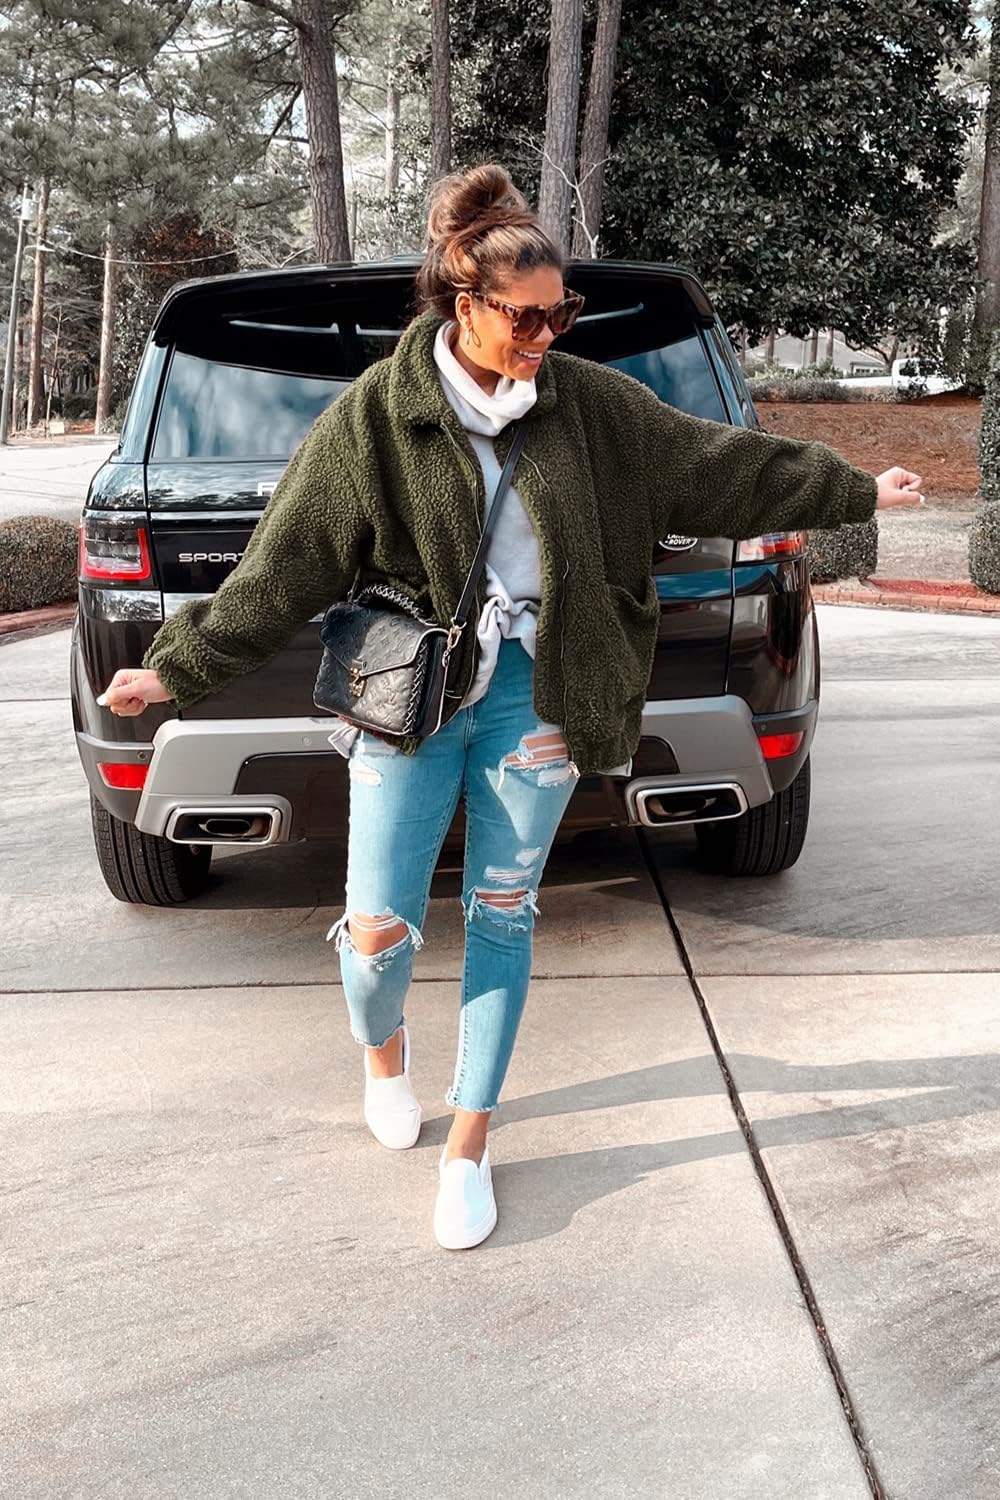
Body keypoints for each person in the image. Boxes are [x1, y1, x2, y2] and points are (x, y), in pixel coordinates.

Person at [102, 162, 923, 1250]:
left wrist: (854, 488)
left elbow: (717, 464)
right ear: (464, 302)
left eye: (560, 314)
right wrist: (176, 668)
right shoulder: (378, 415)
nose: (546, 336)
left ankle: (470, 1142)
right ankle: (383, 1054)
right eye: (525, 317)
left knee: (502, 912)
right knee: (378, 931)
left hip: (539, 693)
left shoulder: (589, 406)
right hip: (411, 698)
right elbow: (286, 563)